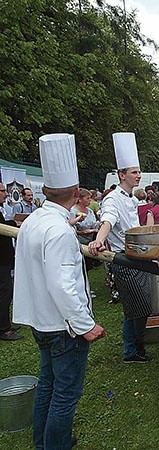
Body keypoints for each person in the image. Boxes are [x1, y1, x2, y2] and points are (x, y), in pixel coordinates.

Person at [13, 133, 106, 449]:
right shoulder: (59, 231)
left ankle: (45, 442)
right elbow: (62, 285)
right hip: (63, 328)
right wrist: (85, 325)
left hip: (42, 322)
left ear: (45, 191)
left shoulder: (34, 221)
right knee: (65, 393)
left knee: (48, 387)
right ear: (77, 193)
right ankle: (55, 445)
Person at [88, 132, 153, 363]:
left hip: (138, 257)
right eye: (134, 172)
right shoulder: (113, 199)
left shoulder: (131, 199)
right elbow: (108, 220)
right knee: (136, 308)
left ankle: (138, 346)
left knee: (143, 307)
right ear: (121, 175)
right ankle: (131, 351)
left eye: (138, 171)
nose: (138, 175)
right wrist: (98, 239)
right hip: (124, 260)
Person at [0, 182, 22, 341]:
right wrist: (14, 224)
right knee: (4, 292)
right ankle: (3, 328)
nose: (6, 194)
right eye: (2, 191)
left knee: (6, 292)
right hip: (1, 260)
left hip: (5, 259)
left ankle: (5, 322)